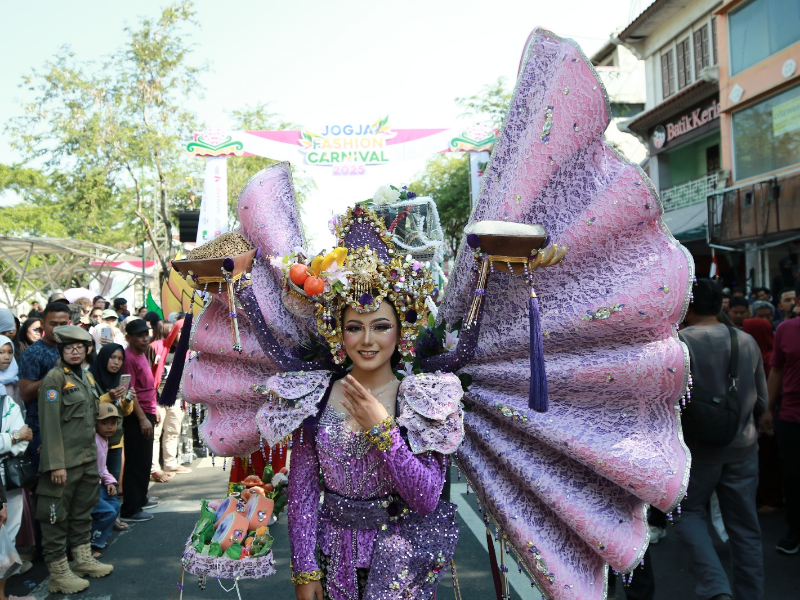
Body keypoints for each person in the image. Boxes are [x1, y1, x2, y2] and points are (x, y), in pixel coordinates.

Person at [674, 279, 766, 600]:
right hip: (743, 449)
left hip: (697, 451)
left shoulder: (677, 345)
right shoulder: (746, 341)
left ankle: (716, 588)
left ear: (688, 306)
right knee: (745, 529)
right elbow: (762, 402)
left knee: (688, 513)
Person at [36, 326, 113, 594]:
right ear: (61, 350)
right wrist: (55, 464)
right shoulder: (54, 380)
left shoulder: (87, 378)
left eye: (80, 347)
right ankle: (58, 574)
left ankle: (82, 561)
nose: (75, 351)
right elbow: (49, 425)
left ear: (87, 350)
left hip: (86, 460)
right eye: (69, 347)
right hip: (63, 464)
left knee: (82, 514)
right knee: (55, 519)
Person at [761, 281, 800, 555]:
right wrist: (767, 409)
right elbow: (776, 372)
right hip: (791, 416)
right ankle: (795, 530)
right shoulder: (786, 329)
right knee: (794, 477)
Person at [18, 302, 71, 465]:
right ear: (42, 324)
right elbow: (25, 394)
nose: (58, 328)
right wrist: (54, 374)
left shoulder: (72, 348)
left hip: (69, 425)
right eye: (53, 324)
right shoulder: (33, 353)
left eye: (63, 324)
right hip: (42, 429)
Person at [88, 344, 133, 533]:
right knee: (95, 480)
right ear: (103, 357)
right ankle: (99, 519)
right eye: (112, 357)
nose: (116, 362)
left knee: (112, 480)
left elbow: (124, 412)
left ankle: (113, 517)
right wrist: (108, 396)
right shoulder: (90, 378)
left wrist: (128, 399)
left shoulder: (119, 381)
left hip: (115, 439)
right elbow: (89, 406)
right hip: (94, 441)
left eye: (120, 359)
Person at [0, 337, 34, 585]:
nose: (5, 357)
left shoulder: (5, 400)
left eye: (8, 352)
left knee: (10, 529)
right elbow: (17, 435)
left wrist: (9, 442)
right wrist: (11, 438)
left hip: (9, 473)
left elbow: (26, 435)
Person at [119, 319, 157, 523]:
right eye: (140, 336)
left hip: (148, 410)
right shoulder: (127, 357)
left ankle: (141, 498)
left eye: (146, 334)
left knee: (144, 459)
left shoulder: (142, 353)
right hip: (136, 414)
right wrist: (142, 419)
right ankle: (131, 508)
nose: (145, 338)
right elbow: (129, 392)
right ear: (129, 337)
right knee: (135, 460)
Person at [148, 320, 188, 480]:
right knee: (155, 433)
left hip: (176, 397)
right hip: (156, 397)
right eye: (181, 331)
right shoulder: (156, 347)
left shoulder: (186, 351)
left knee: (173, 431)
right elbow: (146, 374)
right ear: (174, 331)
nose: (183, 335)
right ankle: (153, 468)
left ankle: (170, 463)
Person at [90, 403, 122, 557]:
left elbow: (102, 468)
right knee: (107, 511)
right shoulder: (93, 441)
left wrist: (110, 481)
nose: (110, 427)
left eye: (113, 423)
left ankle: (100, 538)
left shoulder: (104, 439)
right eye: (104, 423)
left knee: (115, 505)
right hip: (89, 488)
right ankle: (91, 542)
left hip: (98, 484)